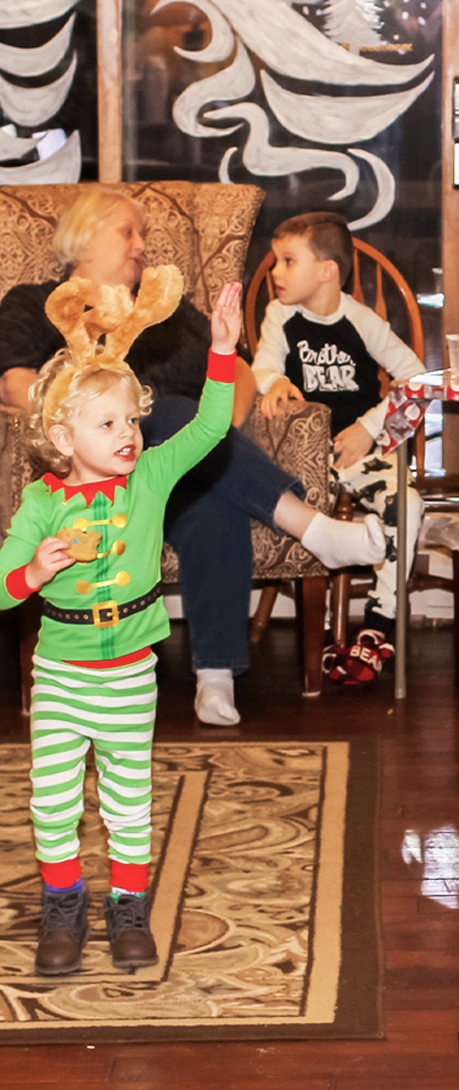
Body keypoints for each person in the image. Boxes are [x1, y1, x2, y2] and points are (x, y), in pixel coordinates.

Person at [0, 186, 385, 725]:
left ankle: (215, 677)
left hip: (171, 472)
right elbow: (15, 384)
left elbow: (240, 369)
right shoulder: (36, 302)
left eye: (145, 236)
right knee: (157, 409)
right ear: (85, 238)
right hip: (84, 473)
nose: (141, 246)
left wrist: (216, 438)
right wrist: (94, 409)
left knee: (205, 484)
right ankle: (311, 528)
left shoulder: (164, 310)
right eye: (128, 232)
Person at [0, 271, 241, 974]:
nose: (129, 434)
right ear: (61, 436)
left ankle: (127, 910)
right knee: (53, 804)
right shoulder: (40, 504)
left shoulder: (151, 477)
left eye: (132, 419)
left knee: (128, 803)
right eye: (107, 424)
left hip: (132, 672)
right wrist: (35, 573)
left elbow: (210, 426)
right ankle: (63, 911)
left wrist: (222, 351)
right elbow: (2, 586)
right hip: (62, 675)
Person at [251, 211, 425, 684]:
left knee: (407, 504)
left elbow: (417, 379)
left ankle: (377, 628)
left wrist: (370, 426)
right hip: (306, 456)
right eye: (275, 261)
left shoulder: (362, 321)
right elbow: (261, 366)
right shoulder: (279, 316)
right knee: (310, 513)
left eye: (288, 261)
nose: (276, 271)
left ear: (327, 270)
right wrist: (275, 381)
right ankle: (325, 628)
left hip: (362, 452)